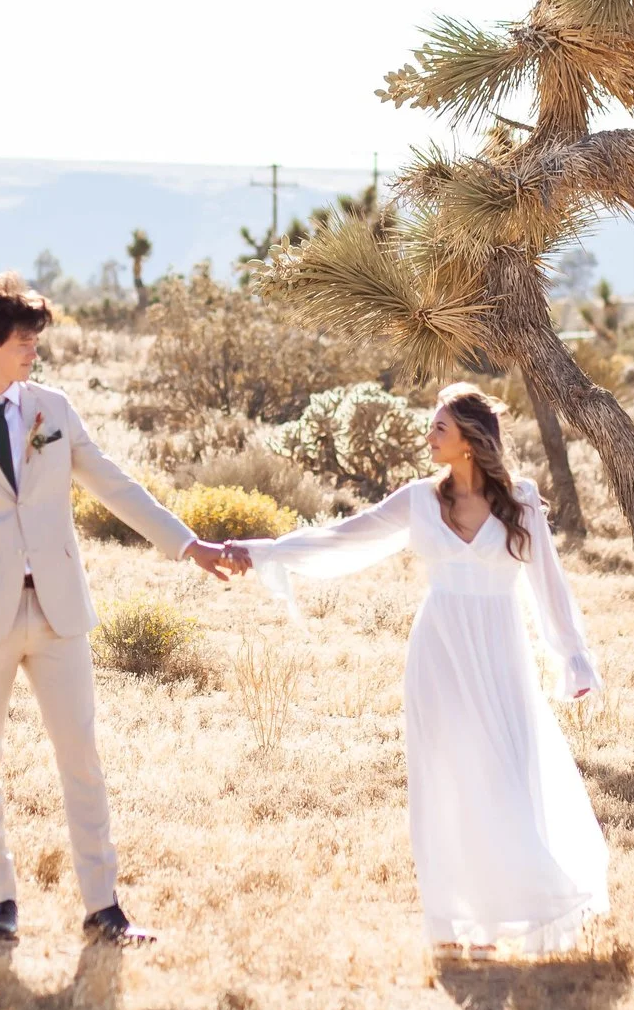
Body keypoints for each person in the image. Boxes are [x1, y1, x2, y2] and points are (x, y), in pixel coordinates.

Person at [0, 275, 240, 948]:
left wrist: (187, 543)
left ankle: (103, 906)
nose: (34, 353)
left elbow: (112, 482)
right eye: (24, 341)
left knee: (81, 756)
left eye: (36, 342)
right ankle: (0, 900)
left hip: (60, 612)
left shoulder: (52, 408)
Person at [225, 383, 610, 959]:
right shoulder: (417, 500)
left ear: (470, 442)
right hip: (438, 654)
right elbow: (342, 538)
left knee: (506, 776)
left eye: (439, 429)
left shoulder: (521, 501)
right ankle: (454, 924)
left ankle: (505, 915)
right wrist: (265, 551)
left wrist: (572, 656)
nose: (428, 437)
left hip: (501, 656)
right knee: (447, 783)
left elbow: (548, 587)